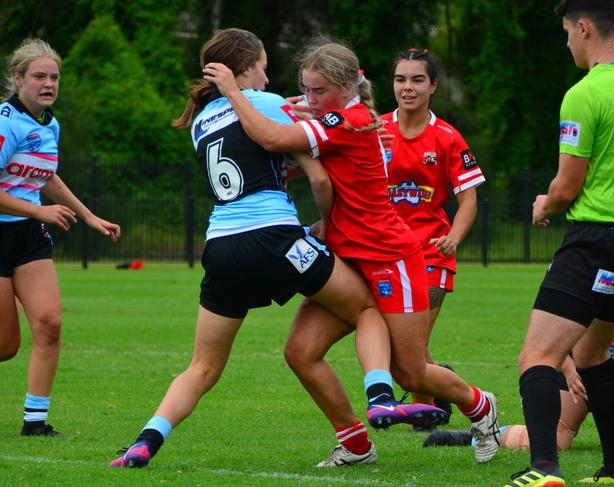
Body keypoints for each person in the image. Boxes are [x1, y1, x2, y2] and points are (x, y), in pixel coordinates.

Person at [110, 28, 442, 470]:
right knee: (366, 310)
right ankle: (380, 396)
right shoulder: (266, 104)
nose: (268, 79)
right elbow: (320, 169)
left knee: (203, 367)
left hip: (221, 248)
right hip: (276, 239)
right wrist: (328, 219)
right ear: (244, 69)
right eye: (264, 68)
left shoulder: (199, 122)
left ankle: (147, 440)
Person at [205, 40, 501, 464]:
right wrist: (297, 108)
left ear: (346, 86)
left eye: (318, 90)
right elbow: (310, 134)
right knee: (301, 352)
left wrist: (234, 93)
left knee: (411, 371)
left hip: (389, 258)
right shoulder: (351, 117)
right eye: (305, 89)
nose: (310, 98)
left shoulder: (350, 119)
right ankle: (356, 444)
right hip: (347, 258)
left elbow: (270, 137)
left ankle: (482, 407)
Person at [507, 1, 614, 485]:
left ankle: (544, 466)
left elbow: (567, 188)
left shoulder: (583, 94)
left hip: (596, 240)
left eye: (568, 33)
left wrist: (544, 204)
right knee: (591, 355)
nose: (567, 43)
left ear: (584, 28)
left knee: (537, 356)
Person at [0, 39, 121, 436]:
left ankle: (35, 423)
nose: (48, 83)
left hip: (28, 239)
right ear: (18, 79)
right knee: (5, 345)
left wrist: (88, 216)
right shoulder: (5, 120)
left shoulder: (49, 123)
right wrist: (38, 210)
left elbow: (44, 176)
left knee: (50, 324)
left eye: (54, 77)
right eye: (39, 76)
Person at [380, 47, 485, 427]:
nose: (407, 87)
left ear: (433, 86)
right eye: (400, 79)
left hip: (430, 255)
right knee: (400, 351)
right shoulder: (376, 131)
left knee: (409, 347)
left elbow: (469, 200)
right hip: (385, 257)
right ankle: (433, 398)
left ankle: (436, 409)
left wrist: (453, 238)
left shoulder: (447, 138)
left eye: (417, 79)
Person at [425, 299, 614, 453]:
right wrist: (569, 368)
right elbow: (549, 335)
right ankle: (482, 436)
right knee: (552, 442)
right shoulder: (594, 269)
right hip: (578, 369)